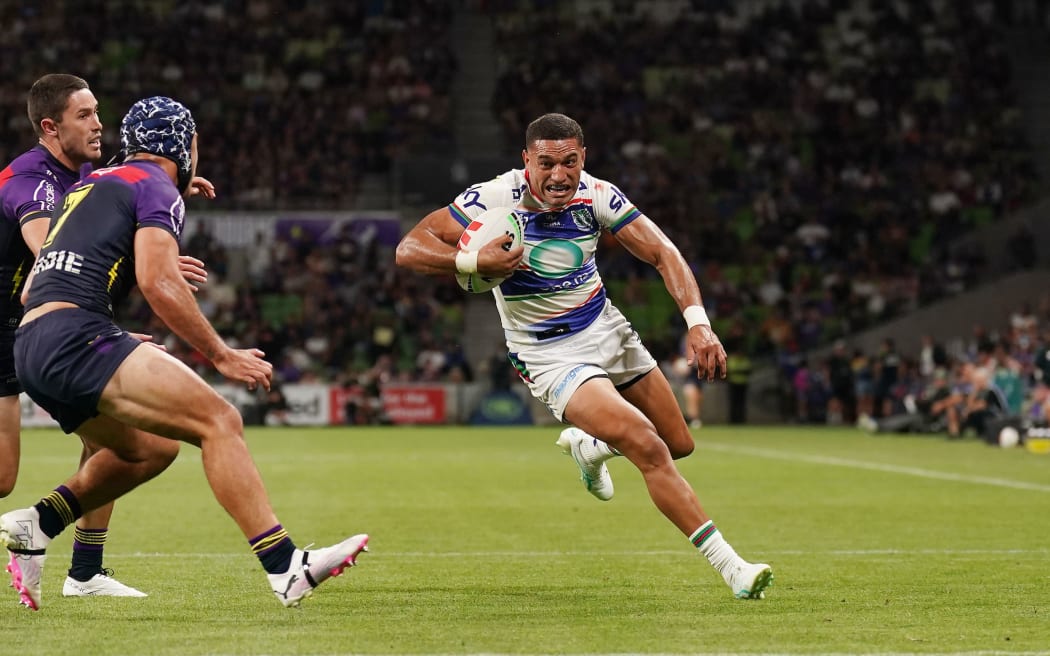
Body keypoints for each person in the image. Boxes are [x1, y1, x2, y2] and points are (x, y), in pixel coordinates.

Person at [0, 96, 368, 611]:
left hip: (32, 344)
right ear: (181, 145)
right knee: (219, 420)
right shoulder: (152, 187)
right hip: (76, 335)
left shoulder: (89, 186)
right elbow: (157, 280)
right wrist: (221, 354)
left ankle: (39, 523)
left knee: (151, 450)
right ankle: (285, 566)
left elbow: (32, 286)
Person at [396, 113, 772, 600]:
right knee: (647, 444)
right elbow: (409, 248)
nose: (559, 175)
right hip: (549, 353)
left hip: (608, 329)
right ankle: (733, 569)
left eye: (569, 162)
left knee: (679, 443)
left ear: (583, 158)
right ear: (526, 160)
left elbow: (663, 252)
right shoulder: (491, 198)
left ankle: (590, 447)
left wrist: (698, 323)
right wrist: (469, 261)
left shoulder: (596, 195)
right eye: (547, 163)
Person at [0, 74, 210, 599]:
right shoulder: (29, 180)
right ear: (50, 127)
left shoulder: (90, 174)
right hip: (18, 325)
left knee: (110, 429)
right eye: (85, 116)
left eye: (98, 112)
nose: (99, 125)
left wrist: (176, 189)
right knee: (3, 477)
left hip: (41, 325)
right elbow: (53, 253)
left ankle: (85, 571)